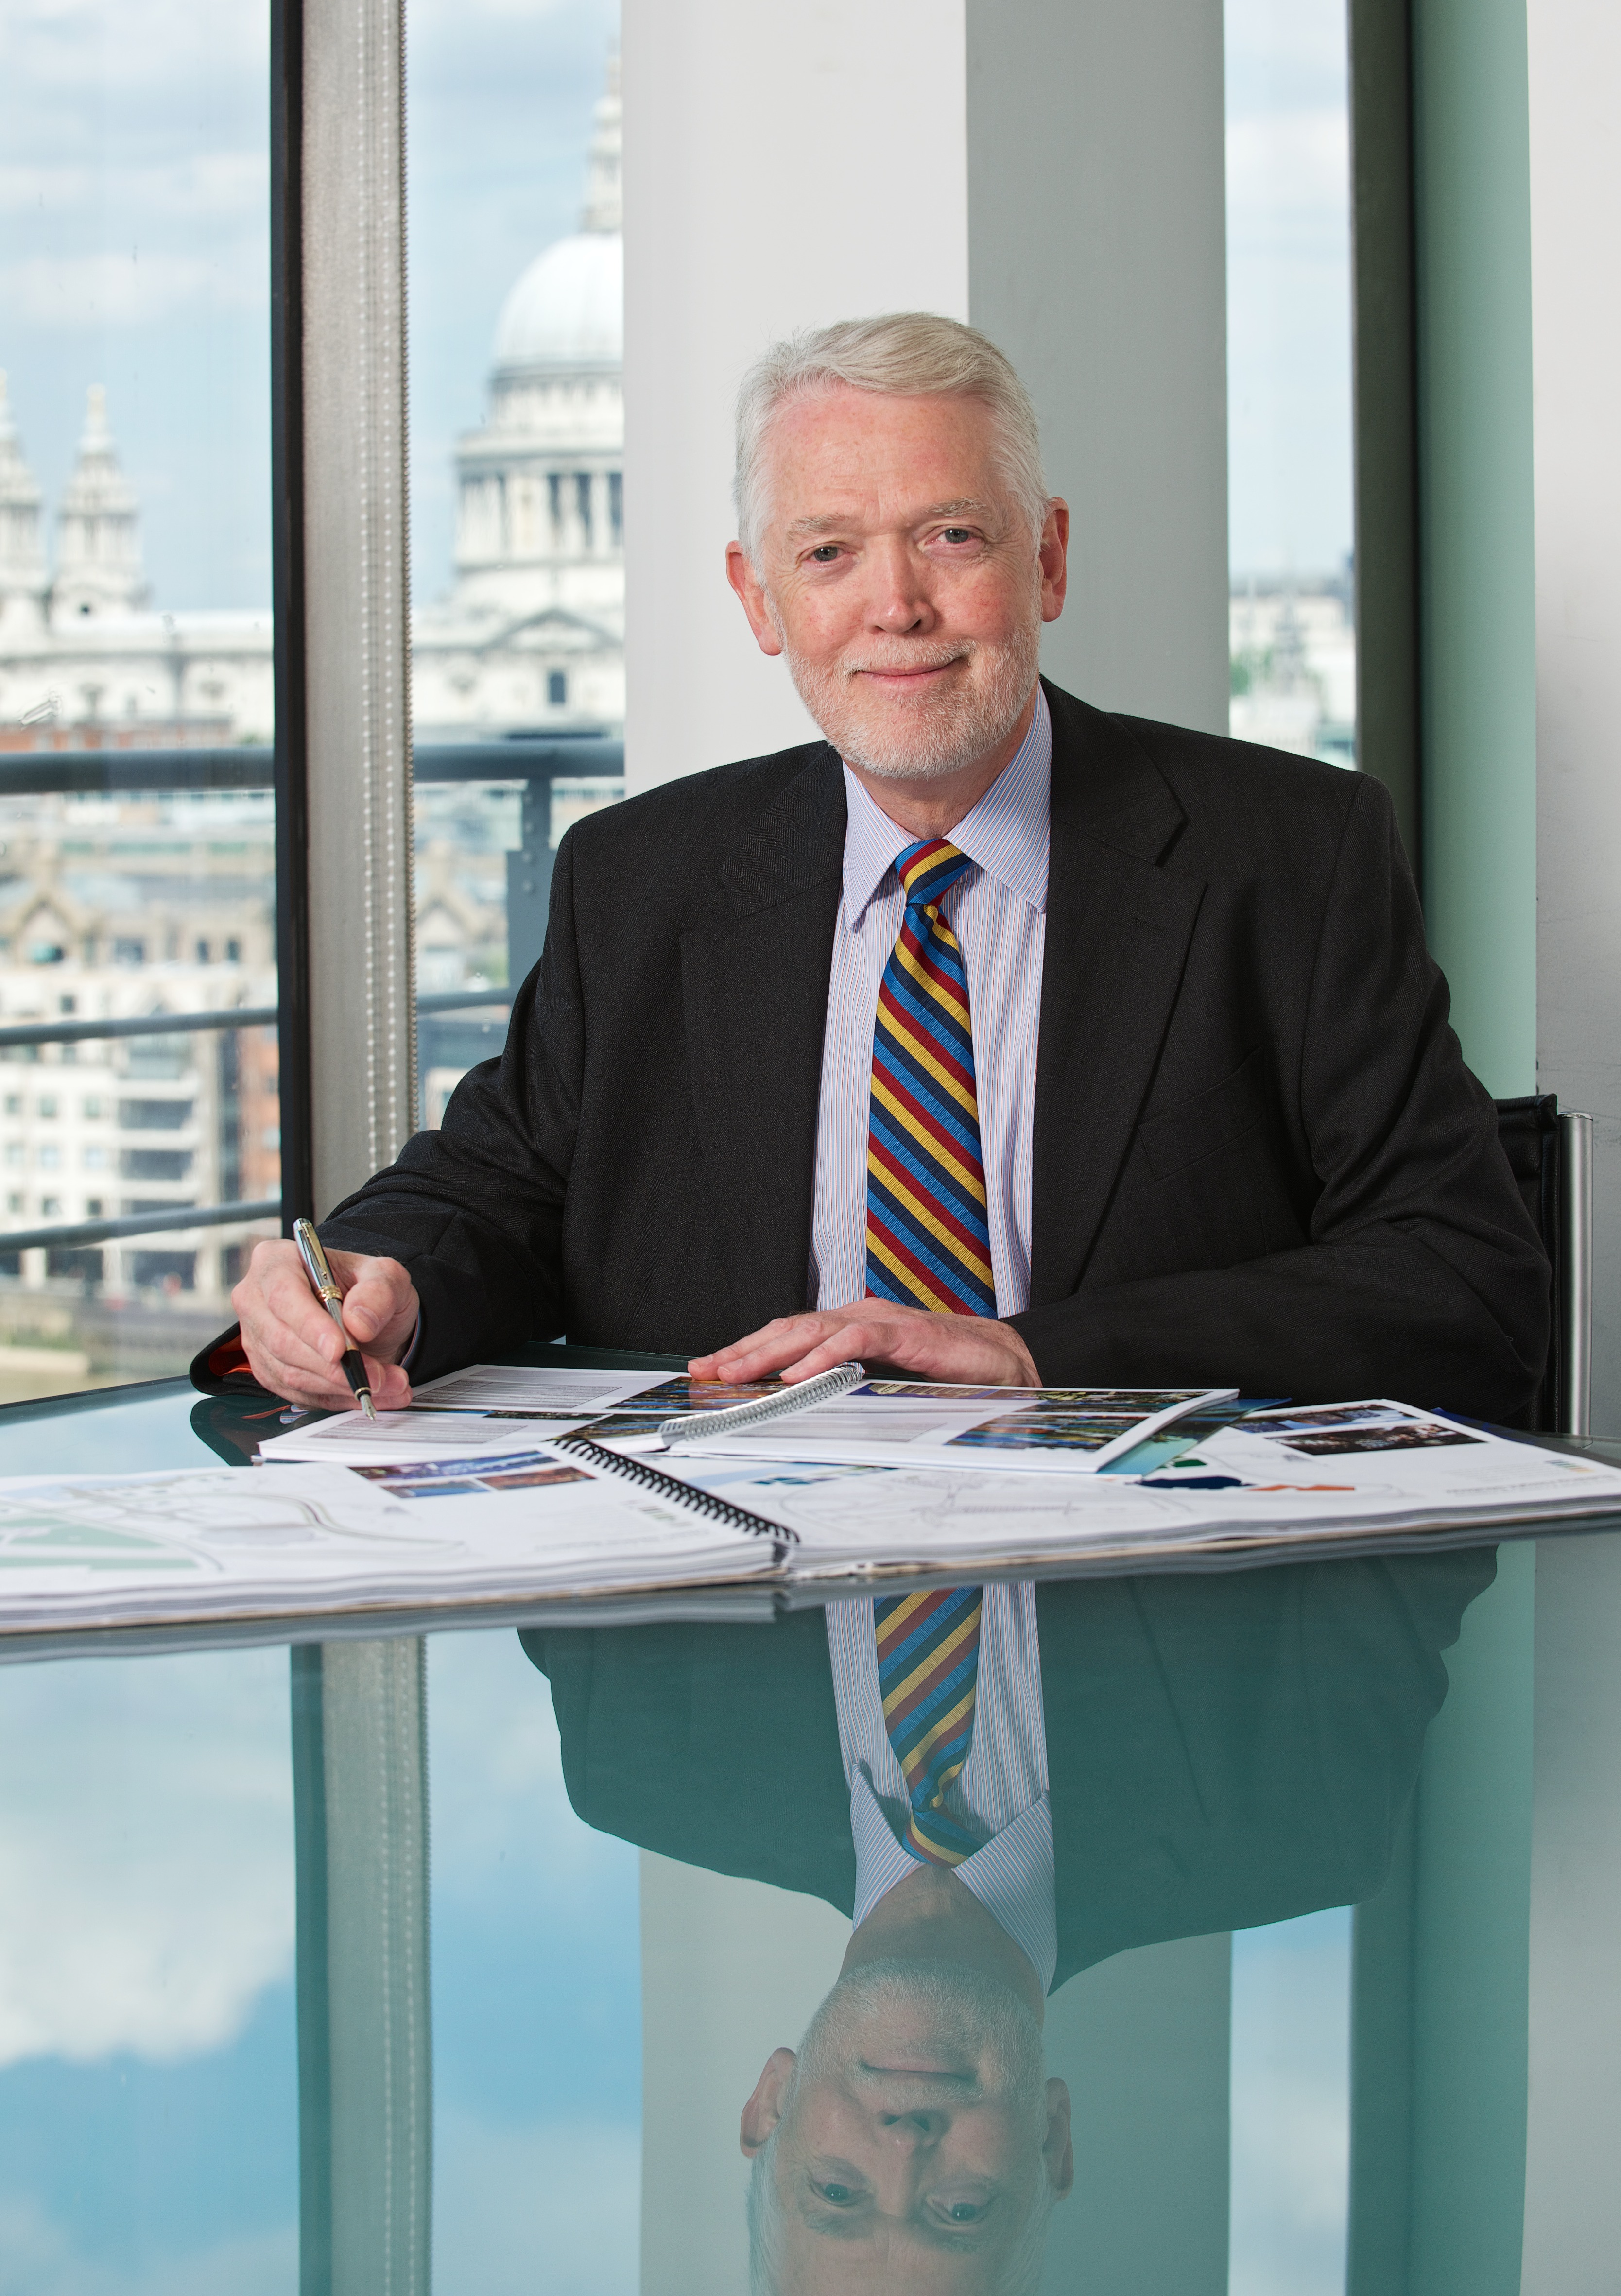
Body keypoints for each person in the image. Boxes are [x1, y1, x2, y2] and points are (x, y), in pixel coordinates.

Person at [209, 312, 1549, 1416]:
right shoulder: (638, 879)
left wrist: (1032, 1356)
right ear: (759, 597)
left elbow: (1464, 1284)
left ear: (1049, 558)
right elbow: (494, 1192)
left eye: (952, 535)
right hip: (745, 1599)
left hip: (1152, 1611)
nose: (896, 606)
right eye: (830, 553)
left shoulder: (1292, 858)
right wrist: (376, 1283)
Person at [520, 1547, 1494, 2291]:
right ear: (1054, 2141)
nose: (905, 2145)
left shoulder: (632, 1751)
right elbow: (1453, 1392)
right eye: (960, 2209)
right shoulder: (1306, 1813)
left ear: (771, 2105)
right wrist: (1058, 1368)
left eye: (838, 2192)